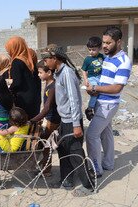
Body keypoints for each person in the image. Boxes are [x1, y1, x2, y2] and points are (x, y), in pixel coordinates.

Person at [42, 45, 94, 191]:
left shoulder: (67, 73)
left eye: (46, 59)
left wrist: (77, 124)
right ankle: (67, 180)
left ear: (55, 58)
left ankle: (89, 185)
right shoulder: (58, 73)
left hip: (72, 121)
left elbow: (74, 100)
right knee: (63, 151)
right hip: (64, 120)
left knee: (75, 153)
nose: (45, 63)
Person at [86, 27, 132, 177]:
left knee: (91, 135)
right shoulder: (107, 58)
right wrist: (94, 90)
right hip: (101, 101)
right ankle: (108, 163)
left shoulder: (124, 61)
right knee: (106, 134)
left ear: (119, 42)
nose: (104, 46)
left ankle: (96, 169)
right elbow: (104, 81)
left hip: (108, 104)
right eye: (103, 42)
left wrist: (95, 87)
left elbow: (117, 88)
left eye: (108, 43)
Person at [30, 60, 61, 177]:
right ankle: (44, 165)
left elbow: (47, 107)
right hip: (48, 119)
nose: (38, 75)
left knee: (46, 145)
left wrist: (34, 119)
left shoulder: (52, 87)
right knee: (44, 145)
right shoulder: (48, 84)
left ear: (49, 72)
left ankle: (46, 170)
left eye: (40, 72)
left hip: (52, 120)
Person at [5, 36, 41, 119]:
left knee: (24, 125)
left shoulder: (17, 62)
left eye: (9, 49)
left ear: (15, 48)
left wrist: (8, 90)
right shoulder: (29, 60)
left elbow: (17, 82)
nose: (8, 52)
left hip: (23, 100)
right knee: (33, 123)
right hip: (34, 98)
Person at [81, 36, 105, 120]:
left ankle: (97, 110)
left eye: (93, 50)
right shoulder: (87, 59)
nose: (91, 52)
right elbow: (83, 70)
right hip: (92, 78)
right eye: (90, 49)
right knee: (94, 93)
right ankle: (89, 109)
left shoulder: (102, 57)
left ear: (99, 48)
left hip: (100, 78)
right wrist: (86, 80)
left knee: (101, 94)